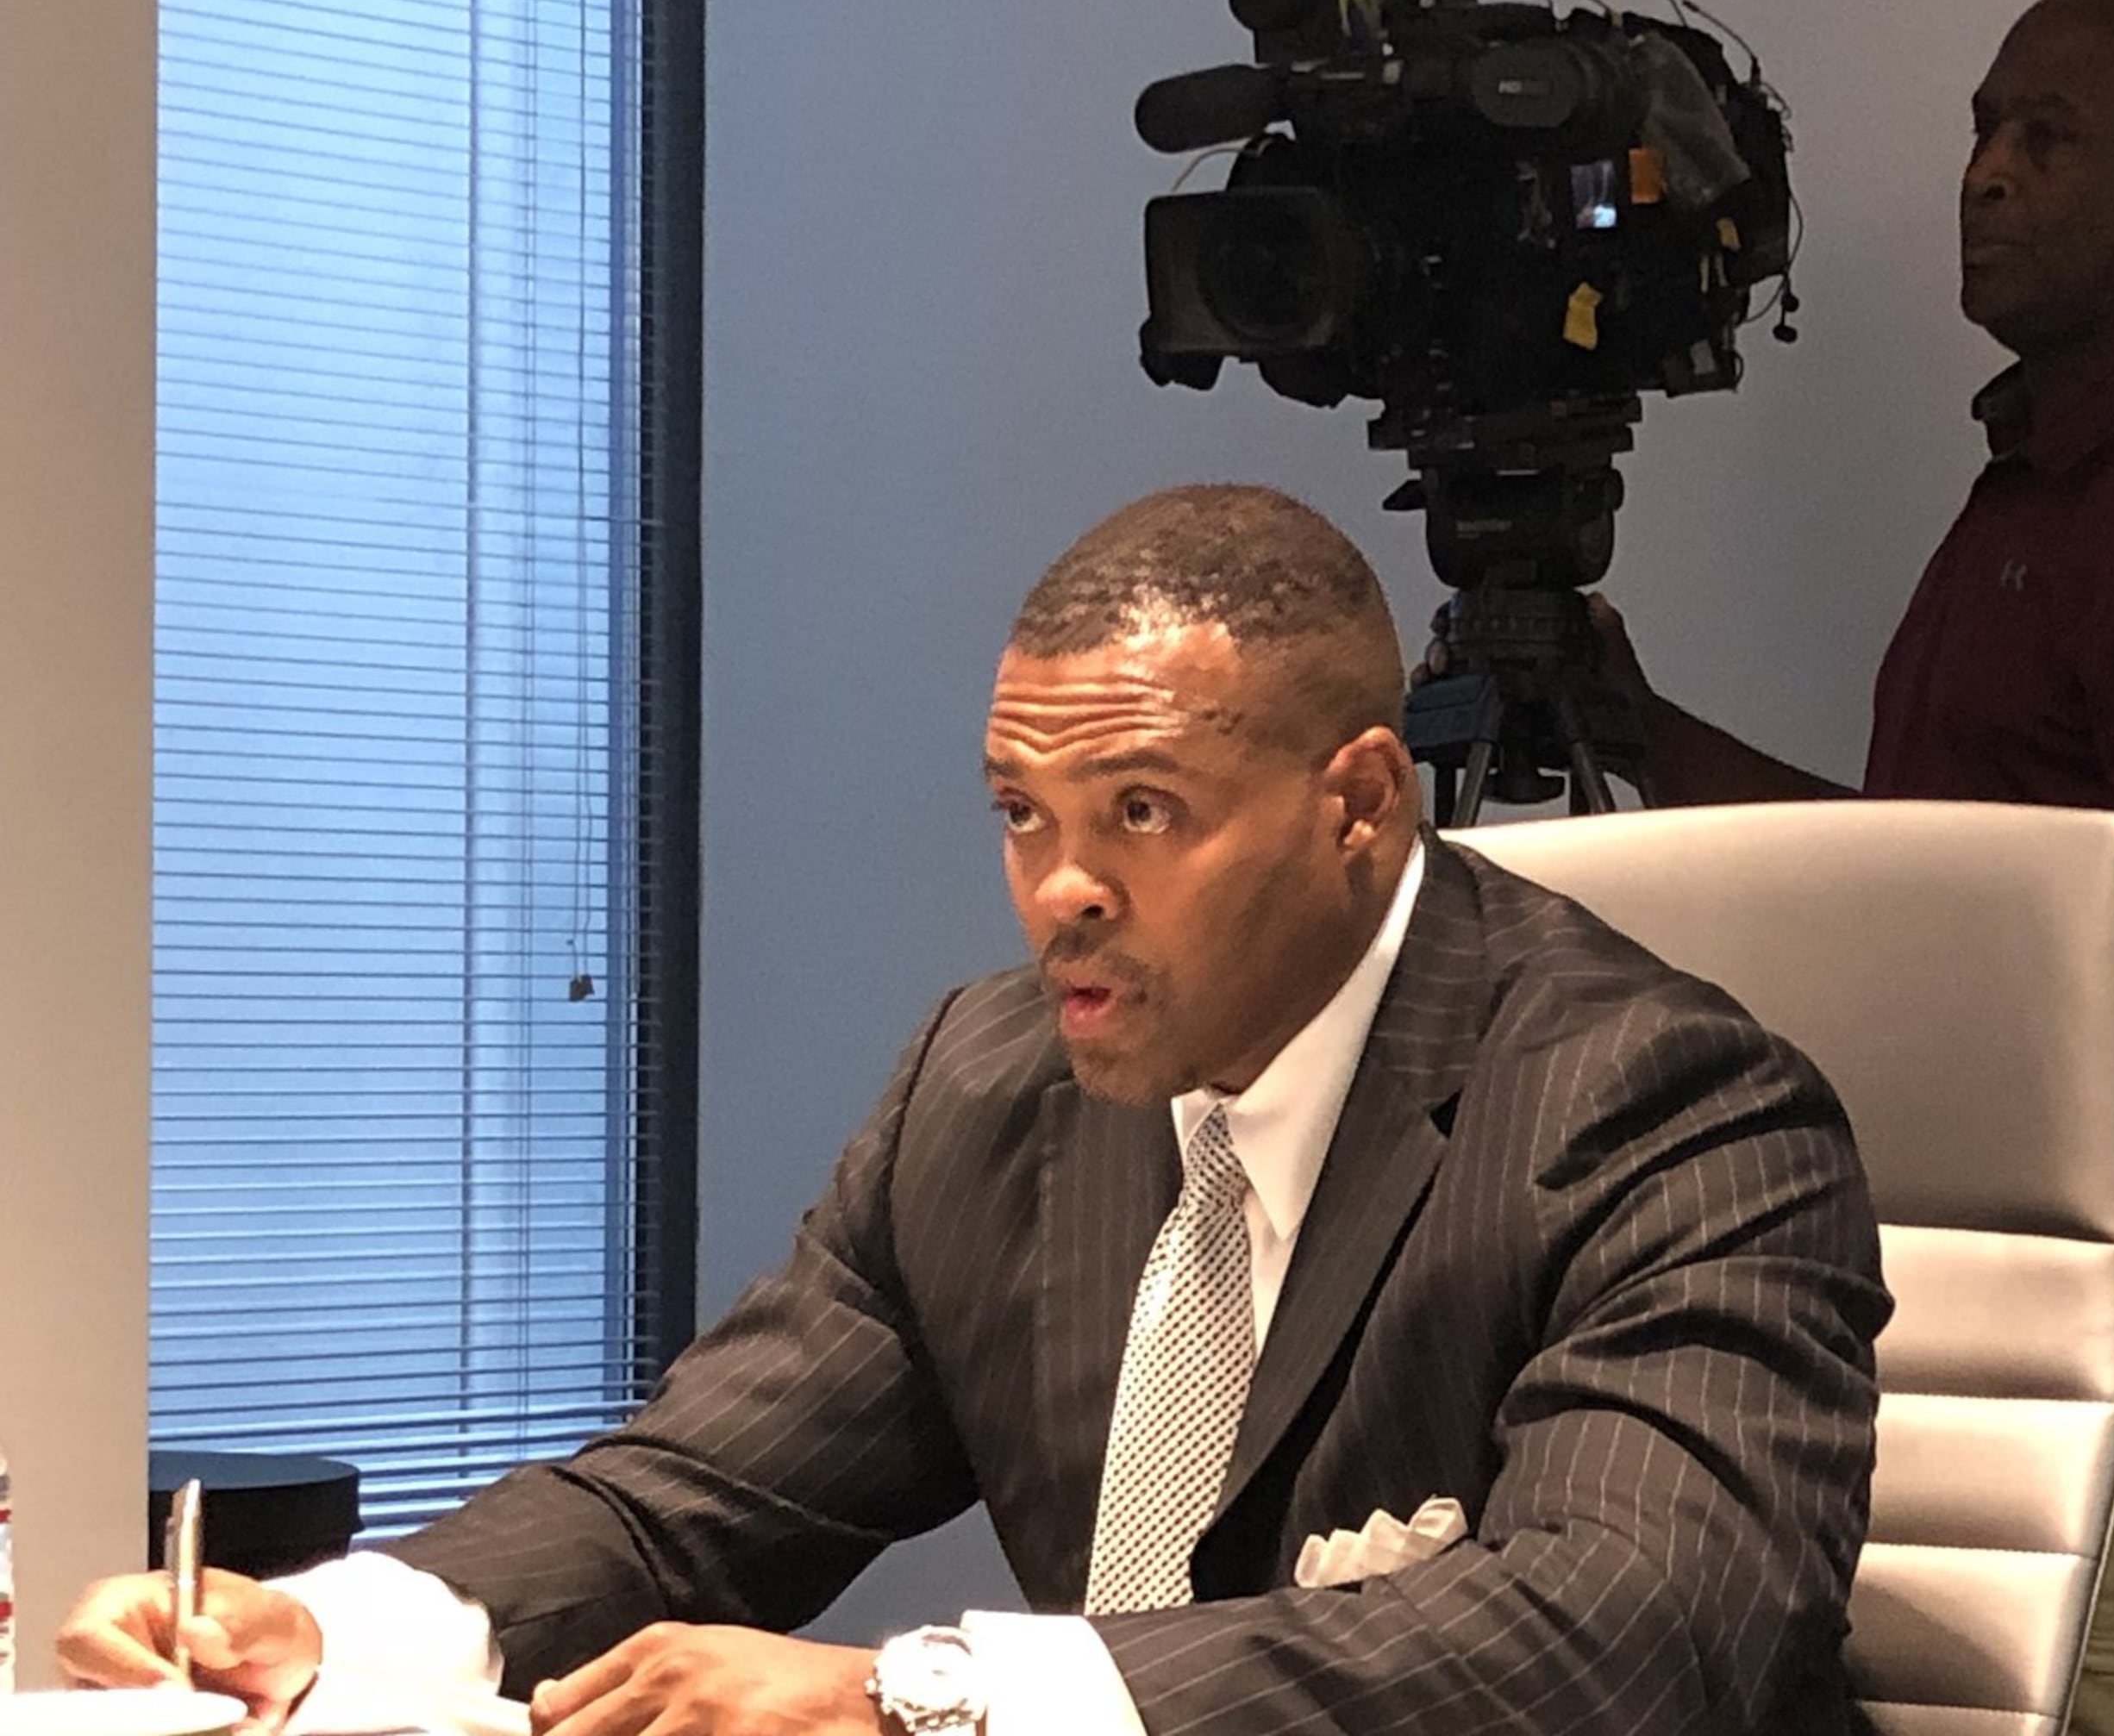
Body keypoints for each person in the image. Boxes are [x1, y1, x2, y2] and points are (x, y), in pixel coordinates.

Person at [62, 484, 1892, 1736]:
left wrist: (917, 1699)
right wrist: (340, 1624)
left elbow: (1635, 1629)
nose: (1059, 893)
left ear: (1358, 804)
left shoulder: (1661, 1109)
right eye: (1024, 814)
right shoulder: (994, 1082)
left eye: (1142, 814)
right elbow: (695, 1498)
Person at [1598, 0, 2114, 1736]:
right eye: (1981, 130)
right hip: (1952, 1338)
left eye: (2049, 136)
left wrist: (1913, 964)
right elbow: (1943, 888)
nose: (1987, 173)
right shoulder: (2039, 483)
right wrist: (1642, 738)